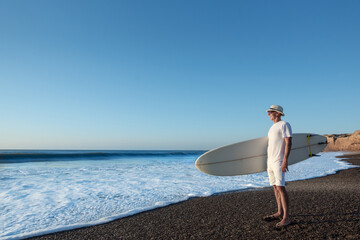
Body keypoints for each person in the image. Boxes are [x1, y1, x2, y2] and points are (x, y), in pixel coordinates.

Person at [263, 105, 292, 228]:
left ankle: (286, 217)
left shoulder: (284, 124)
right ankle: (279, 212)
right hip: (270, 161)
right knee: (275, 187)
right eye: (268, 112)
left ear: (277, 113)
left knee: (281, 187)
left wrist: (285, 160)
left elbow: (288, 142)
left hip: (278, 161)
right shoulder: (271, 127)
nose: (268, 114)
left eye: (270, 112)